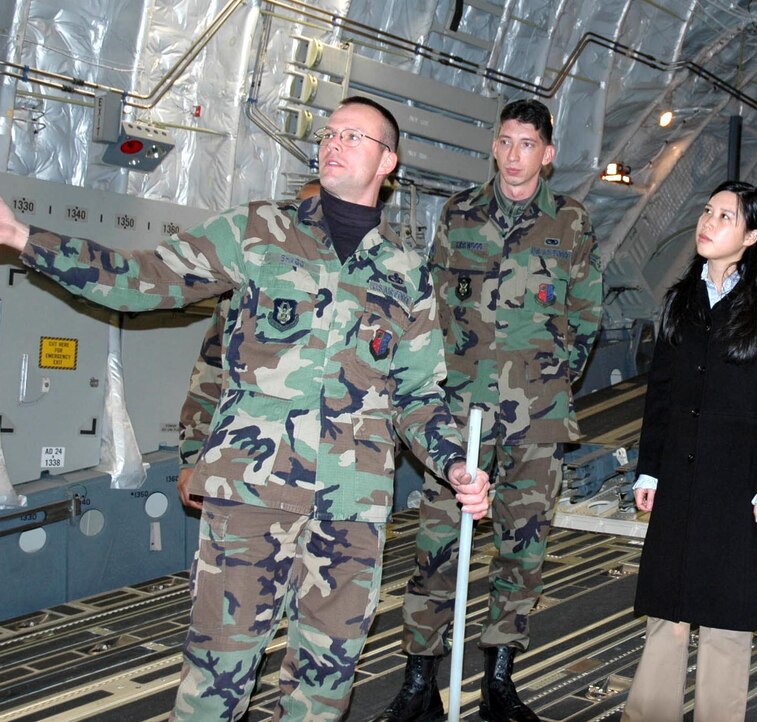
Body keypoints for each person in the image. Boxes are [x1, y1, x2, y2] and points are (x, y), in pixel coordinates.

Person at [0, 96, 491, 722]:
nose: (334, 143)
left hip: (352, 508)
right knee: (217, 677)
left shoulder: (407, 272)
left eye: (354, 136)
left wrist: (454, 465)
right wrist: (23, 238)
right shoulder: (257, 231)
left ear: (387, 161)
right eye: (329, 133)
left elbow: (419, 395)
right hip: (253, 494)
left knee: (325, 684)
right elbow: (143, 278)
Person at [373, 98, 603, 722]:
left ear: (547, 154)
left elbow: (586, 311)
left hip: (537, 414)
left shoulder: (571, 221)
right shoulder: (460, 213)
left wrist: (554, 377)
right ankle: (420, 683)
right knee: (436, 546)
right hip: (459, 413)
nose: (512, 155)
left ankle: (499, 681)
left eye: (526, 144)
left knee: (522, 549)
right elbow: (433, 303)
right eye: (504, 142)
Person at [620, 181, 757, 722]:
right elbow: (661, 393)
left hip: (739, 479)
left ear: (752, 236)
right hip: (680, 472)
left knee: (728, 616)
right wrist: (649, 470)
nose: (708, 222)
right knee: (668, 610)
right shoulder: (681, 298)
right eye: (707, 211)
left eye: (726, 216)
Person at [176, 177, 322, 511]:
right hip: (247, 468)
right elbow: (211, 374)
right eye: (299, 208)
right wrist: (192, 456)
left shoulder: (363, 291)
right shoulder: (247, 289)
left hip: (332, 481)